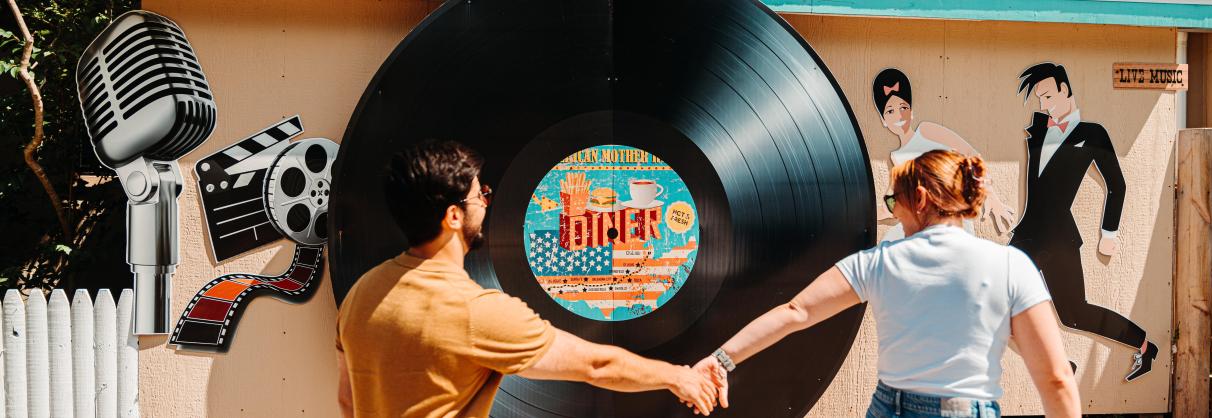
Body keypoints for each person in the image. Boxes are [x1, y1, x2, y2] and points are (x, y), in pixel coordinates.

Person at [336, 140, 720, 418]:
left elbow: (348, 402)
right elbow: (596, 365)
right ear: (453, 216)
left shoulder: (362, 294)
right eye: (479, 197)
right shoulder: (475, 312)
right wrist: (677, 377)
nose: (486, 203)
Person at [694, 150, 1080, 417]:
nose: (892, 208)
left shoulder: (880, 263)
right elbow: (1056, 377)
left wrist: (720, 360)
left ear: (922, 199)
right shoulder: (1011, 265)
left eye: (895, 197)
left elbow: (796, 312)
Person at [1013, 62, 1158, 381]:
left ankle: (1144, 346)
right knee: (996, 301)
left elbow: (1117, 184)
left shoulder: (1092, 134)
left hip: (1060, 239)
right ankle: (1059, 364)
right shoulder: (1040, 130)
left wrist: (1109, 233)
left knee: (1074, 315)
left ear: (1065, 90)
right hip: (1027, 235)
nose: (1043, 104)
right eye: (1039, 98)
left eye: (1048, 94)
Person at [871, 68, 1015, 240]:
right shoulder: (898, 158)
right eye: (890, 111)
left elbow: (971, 154)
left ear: (911, 111)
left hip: (953, 217)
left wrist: (990, 196)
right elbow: (892, 203)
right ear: (883, 120)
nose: (899, 115)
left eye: (904, 107)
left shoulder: (926, 130)